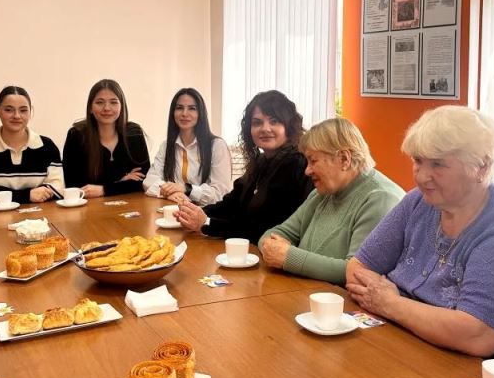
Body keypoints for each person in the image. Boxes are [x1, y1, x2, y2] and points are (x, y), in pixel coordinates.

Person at [346, 106, 494, 367]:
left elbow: (479, 335)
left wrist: (392, 304)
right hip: (413, 348)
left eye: (437, 164)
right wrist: (411, 313)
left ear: (482, 167)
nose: (421, 176)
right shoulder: (419, 202)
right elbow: (358, 267)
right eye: (418, 161)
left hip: (485, 377)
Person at [259, 117, 404, 284]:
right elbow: (273, 234)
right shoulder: (323, 192)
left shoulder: (380, 199)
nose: (307, 170)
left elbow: (358, 273)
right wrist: (273, 249)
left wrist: (289, 257)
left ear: (344, 159)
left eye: (313, 161)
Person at [176, 90, 313, 242]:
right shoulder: (261, 161)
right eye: (257, 123)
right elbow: (231, 204)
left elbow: (269, 228)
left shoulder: (297, 164)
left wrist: (207, 223)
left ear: (289, 126)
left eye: (274, 121)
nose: (265, 128)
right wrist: (193, 212)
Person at [0, 86, 64, 205]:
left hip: (39, 220)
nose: (17, 116)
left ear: (30, 111)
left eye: (23, 110)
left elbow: (57, 191)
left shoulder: (47, 146)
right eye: (9, 110)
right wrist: (28, 195)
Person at [62, 79, 150, 198]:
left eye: (113, 102)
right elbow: (74, 185)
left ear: (121, 106)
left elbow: (142, 180)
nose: (107, 108)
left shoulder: (134, 133)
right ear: (90, 108)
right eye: (100, 102)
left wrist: (103, 189)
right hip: (89, 210)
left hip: (129, 205)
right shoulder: (76, 135)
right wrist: (121, 182)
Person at [143, 87, 232, 205]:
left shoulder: (217, 146)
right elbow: (149, 181)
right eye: (179, 108)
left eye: (192, 108)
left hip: (207, 214)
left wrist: (187, 189)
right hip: (174, 210)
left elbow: (220, 193)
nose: (185, 113)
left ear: (200, 113)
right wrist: (173, 193)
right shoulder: (166, 146)